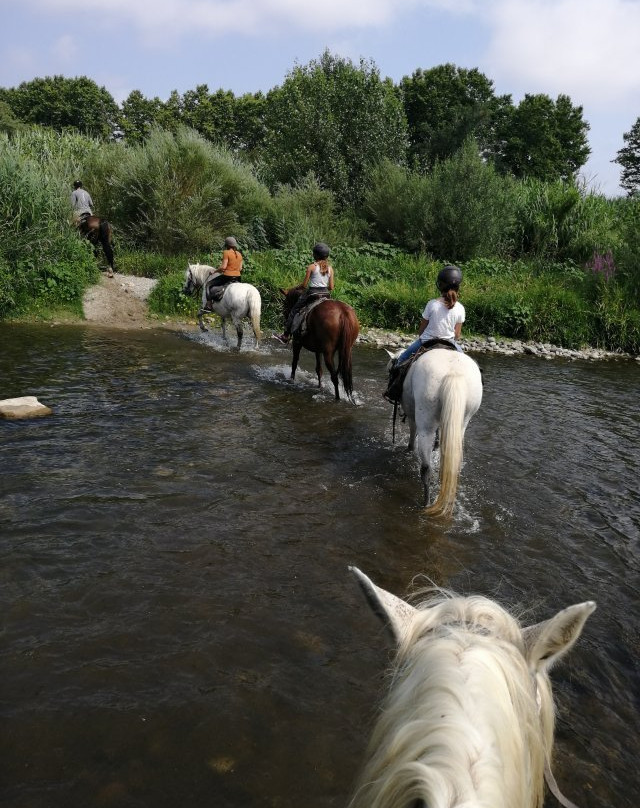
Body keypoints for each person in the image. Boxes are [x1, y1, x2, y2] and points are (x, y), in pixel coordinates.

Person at [384, 265, 465, 403]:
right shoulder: (461, 308)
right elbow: (457, 335)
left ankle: (393, 392)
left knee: (400, 361)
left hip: (427, 341)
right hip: (450, 343)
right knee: (468, 365)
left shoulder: (432, 304)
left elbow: (422, 328)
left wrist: (422, 335)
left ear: (440, 285)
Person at [273, 243, 334, 343]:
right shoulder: (330, 269)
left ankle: (285, 335)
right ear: (326, 256)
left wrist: (294, 288)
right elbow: (331, 287)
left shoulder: (312, 267)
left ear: (315, 255)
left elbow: (304, 286)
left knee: (293, 310)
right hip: (326, 294)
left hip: (312, 294)